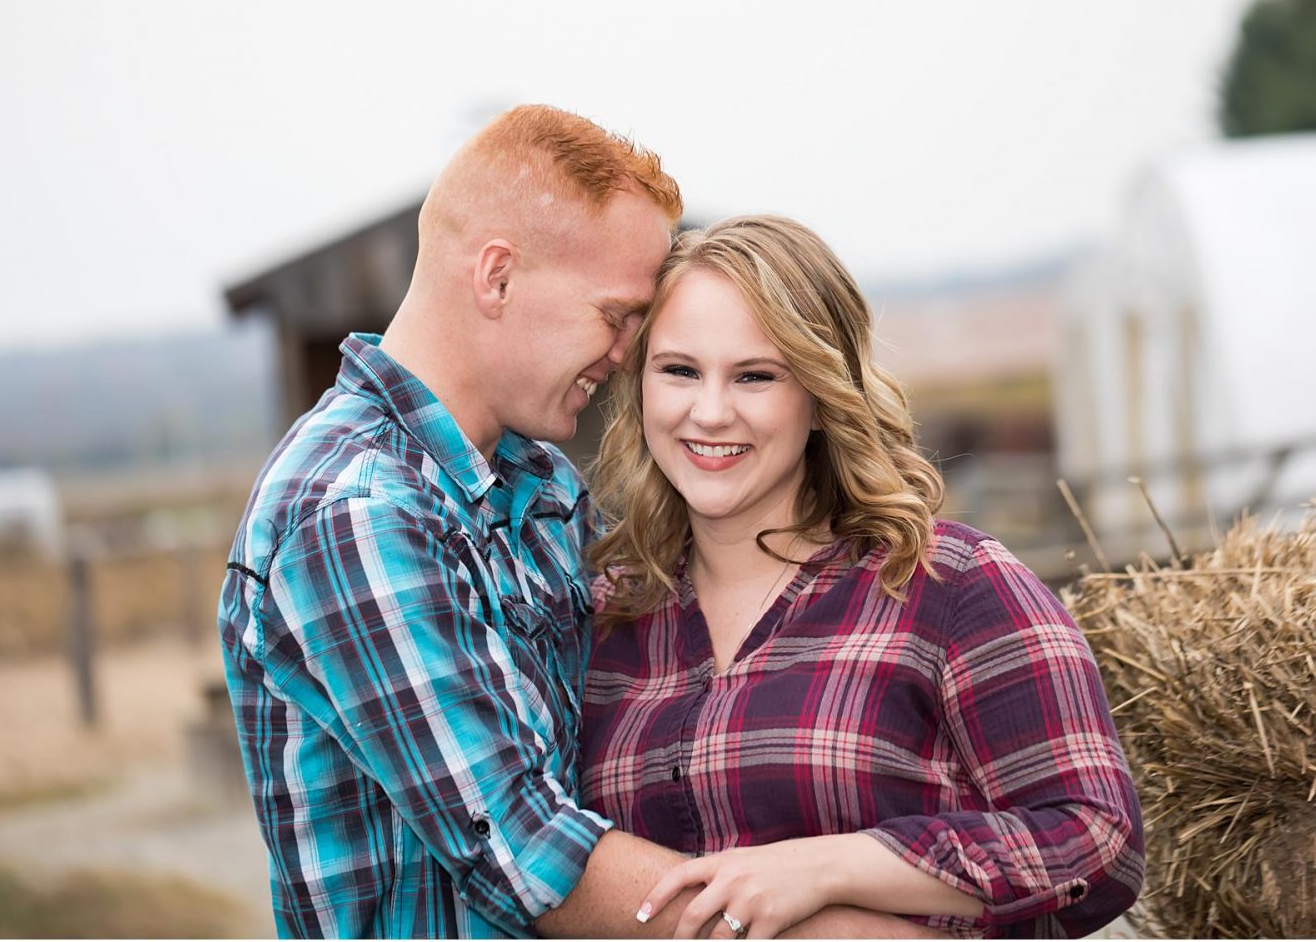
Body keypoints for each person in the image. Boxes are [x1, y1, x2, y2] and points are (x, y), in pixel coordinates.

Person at [218, 108, 934, 940]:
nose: (629, 353)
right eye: (615, 314)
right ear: (497, 277)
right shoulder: (356, 513)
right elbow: (527, 854)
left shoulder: (538, 485)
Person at [581, 214, 1146, 939]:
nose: (710, 411)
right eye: (680, 371)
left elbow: (1097, 841)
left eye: (756, 376)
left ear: (819, 396)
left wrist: (832, 867)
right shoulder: (604, 620)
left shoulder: (952, 585)